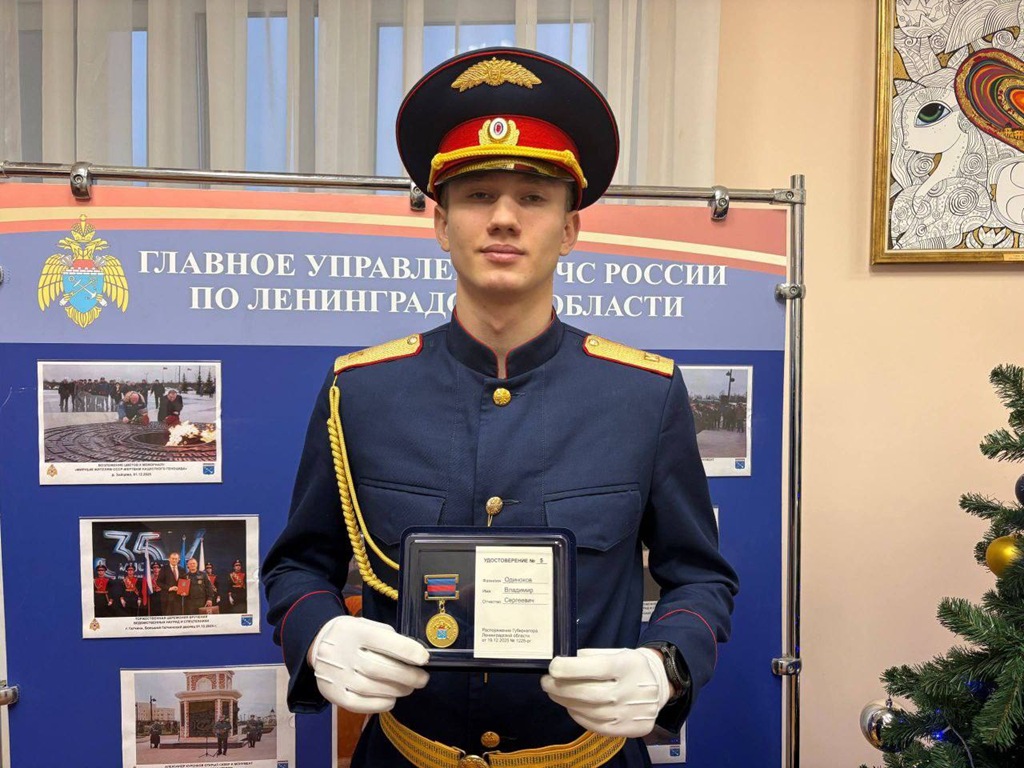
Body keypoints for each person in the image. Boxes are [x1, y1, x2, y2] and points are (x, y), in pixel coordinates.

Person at [262, 47, 737, 768]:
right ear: (441, 224)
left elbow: (700, 575)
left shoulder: (643, 395)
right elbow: (297, 566)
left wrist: (668, 662)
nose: (505, 219)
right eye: (479, 195)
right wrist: (319, 634)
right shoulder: (359, 392)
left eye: (534, 197)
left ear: (570, 230)